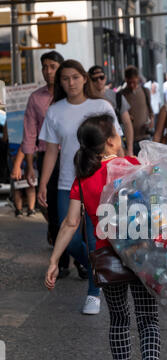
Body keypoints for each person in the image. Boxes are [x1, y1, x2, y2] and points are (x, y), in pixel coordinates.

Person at [45, 114, 161, 360]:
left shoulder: (84, 179)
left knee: (120, 320)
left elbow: (71, 223)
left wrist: (54, 260)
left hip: (107, 261)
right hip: (141, 256)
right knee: (147, 320)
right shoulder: (134, 168)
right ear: (111, 140)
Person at [38, 59, 123, 315]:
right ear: (59, 83)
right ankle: (95, 264)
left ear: (84, 78)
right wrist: (43, 183)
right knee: (71, 238)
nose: (70, 83)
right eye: (65, 79)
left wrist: (124, 175)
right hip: (68, 182)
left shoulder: (101, 106)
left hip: (101, 182)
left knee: (96, 238)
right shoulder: (55, 111)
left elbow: (116, 143)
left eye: (75, 77)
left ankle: (93, 293)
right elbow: (51, 151)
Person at [20, 50, 71, 278]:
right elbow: (29, 133)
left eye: (52, 66)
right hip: (46, 157)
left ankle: (79, 256)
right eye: (44, 67)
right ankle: (61, 260)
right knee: (51, 207)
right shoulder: (36, 98)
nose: (48, 71)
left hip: (72, 157)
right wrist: (29, 165)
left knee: (74, 205)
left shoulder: (70, 95)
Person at [88, 65, 134, 156]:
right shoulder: (86, 100)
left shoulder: (117, 97)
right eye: (95, 79)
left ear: (105, 78)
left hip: (116, 146)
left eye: (101, 77)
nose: (99, 81)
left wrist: (129, 150)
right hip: (94, 149)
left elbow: (127, 123)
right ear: (89, 81)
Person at [120, 65, 154, 155]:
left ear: (138, 79)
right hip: (128, 140)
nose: (131, 85)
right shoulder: (121, 94)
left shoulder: (145, 91)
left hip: (144, 137)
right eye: (129, 82)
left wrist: (151, 122)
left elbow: (150, 111)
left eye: (134, 82)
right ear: (126, 80)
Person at [10, 148, 36, 217]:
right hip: (17, 155)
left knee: (29, 185)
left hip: (29, 154)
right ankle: (20, 209)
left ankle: (29, 209)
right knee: (18, 185)